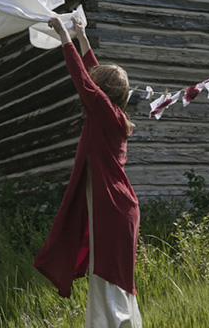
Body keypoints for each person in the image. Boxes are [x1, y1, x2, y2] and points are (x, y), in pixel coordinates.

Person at [34, 16, 142, 328]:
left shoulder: (104, 113)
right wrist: (81, 36)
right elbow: (93, 77)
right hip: (119, 208)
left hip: (113, 210)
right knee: (112, 279)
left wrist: (65, 38)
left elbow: (84, 81)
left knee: (109, 279)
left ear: (103, 93)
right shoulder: (112, 114)